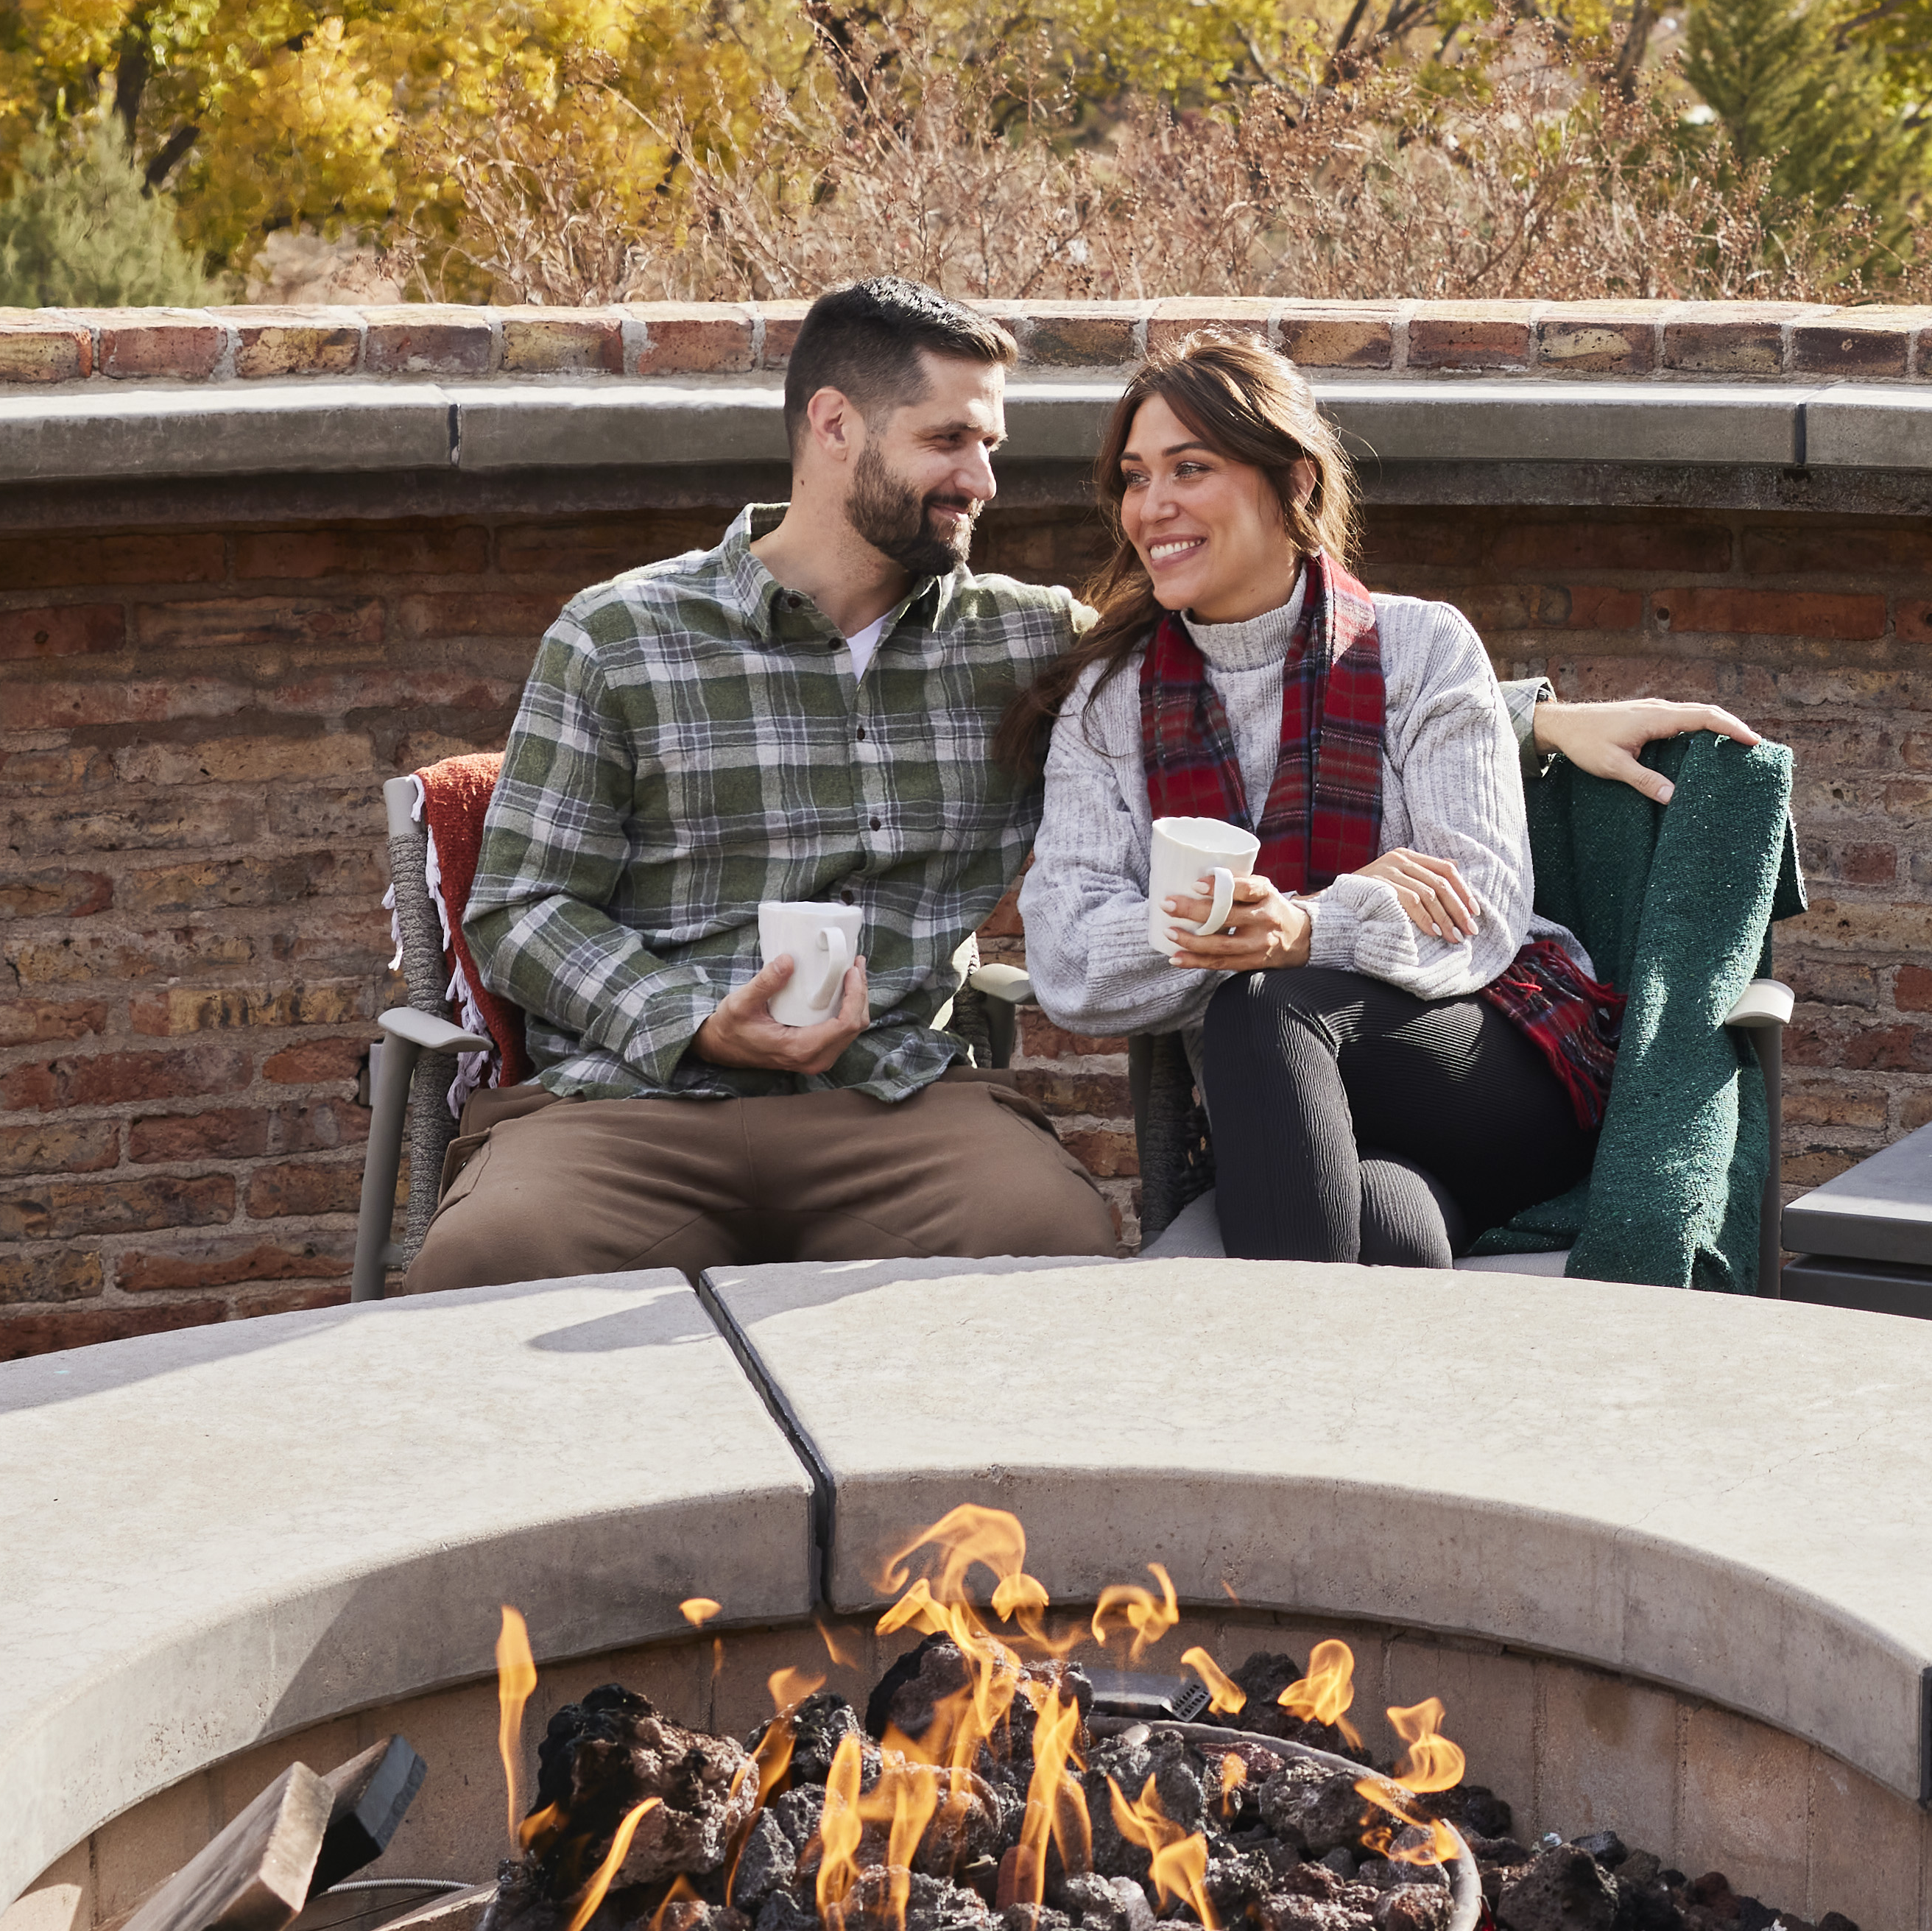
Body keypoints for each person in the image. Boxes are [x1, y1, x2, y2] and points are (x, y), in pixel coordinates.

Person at [403, 280, 1747, 1285]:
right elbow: (521, 914)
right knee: (481, 1269)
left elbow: (1304, 659)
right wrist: (699, 1022)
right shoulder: (623, 633)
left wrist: (1540, 718)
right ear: (831, 428)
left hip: (894, 1096)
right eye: (950, 445)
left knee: (1055, 1246)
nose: (985, 480)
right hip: (634, 1106)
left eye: (991, 445)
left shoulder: (1024, 641)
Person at [1010, 331, 1626, 1268]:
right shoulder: (1108, 702)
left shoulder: (1423, 647)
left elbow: (1484, 906)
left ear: (1294, 481)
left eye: (1189, 467)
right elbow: (1065, 956)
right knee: (1388, 1232)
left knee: (1262, 1003)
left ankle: (1269, 1391)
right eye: (1134, 476)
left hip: (1478, 1059)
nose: (1152, 504)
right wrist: (1260, 922)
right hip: (1291, 1112)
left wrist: (1301, 932)